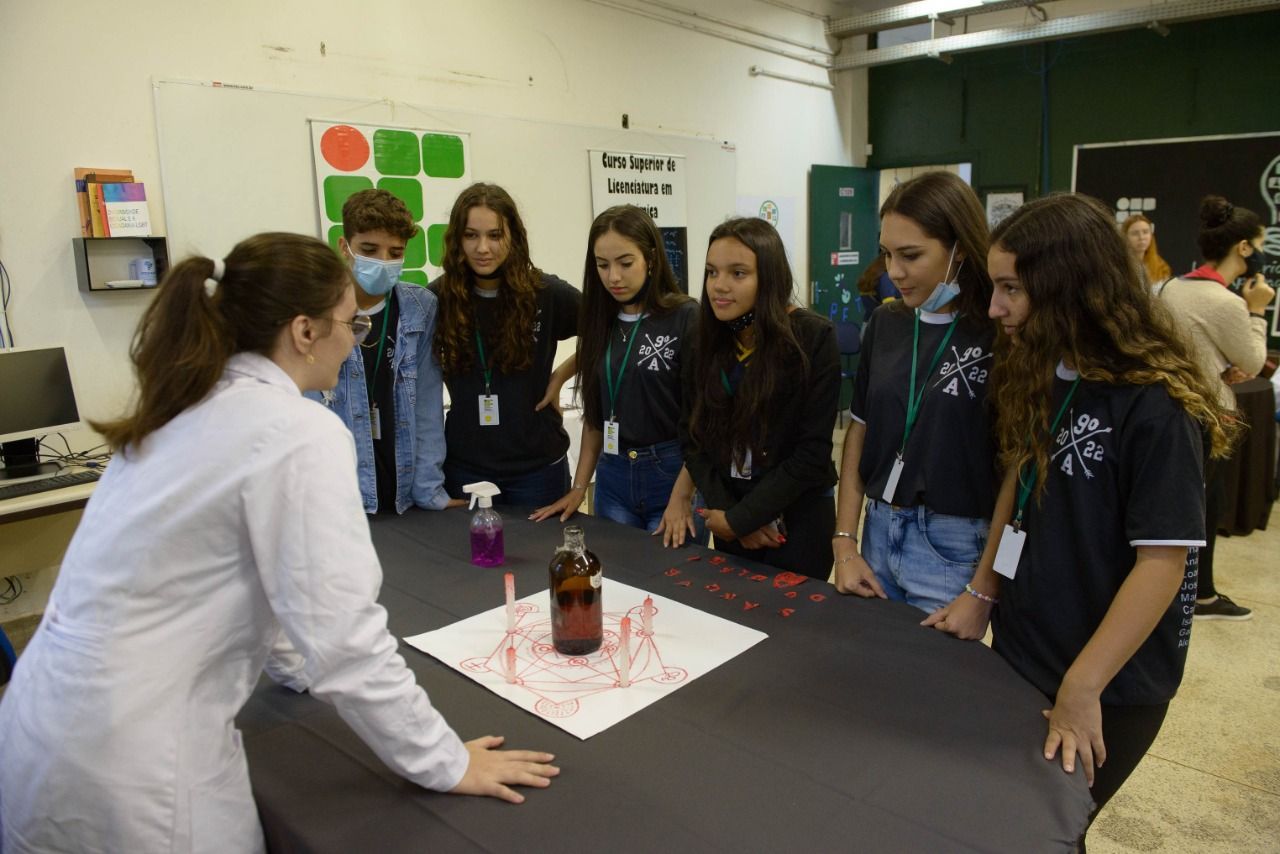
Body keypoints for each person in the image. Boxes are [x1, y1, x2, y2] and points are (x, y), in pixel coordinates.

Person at [0, 234, 558, 854]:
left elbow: (263, 581)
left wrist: (295, 669)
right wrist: (445, 761)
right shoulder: (297, 431)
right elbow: (345, 640)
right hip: (139, 767)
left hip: (39, 729)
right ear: (304, 331)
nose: (354, 341)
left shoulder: (180, 408)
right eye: (351, 325)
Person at [976, 194, 1237, 848]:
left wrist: (1081, 687)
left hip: (1108, 684)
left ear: (1067, 286)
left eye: (1011, 289)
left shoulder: (1157, 406)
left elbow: (1162, 563)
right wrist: (984, 592)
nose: (994, 308)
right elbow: (1022, 473)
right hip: (1027, 650)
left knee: (1051, 831)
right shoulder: (1048, 366)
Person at [833, 171, 999, 628]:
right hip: (878, 529)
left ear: (960, 248)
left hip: (952, 543)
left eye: (911, 255)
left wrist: (984, 586)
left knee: (928, 690)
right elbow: (858, 433)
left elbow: (1015, 472)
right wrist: (845, 542)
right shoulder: (887, 325)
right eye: (887, 254)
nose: (894, 272)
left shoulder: (996, 332)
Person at [531, 205, 705, 547]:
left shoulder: (685, 316)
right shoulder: (600, 319)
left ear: (651, 258)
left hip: (671, 474)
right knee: (620, 588)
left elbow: (705, 419)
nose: (613, 277)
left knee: (673, 588)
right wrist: (579, 488)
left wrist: (683, 495)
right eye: (603, 265)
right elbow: (597, 417)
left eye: (625, 263)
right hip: (612, 477)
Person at [683, 217, 840, 578]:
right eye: (711, 272)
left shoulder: (812, 338)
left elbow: (811, 453)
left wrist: (745, 518)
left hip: (796, 521)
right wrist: (729, 517)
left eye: (738, 274)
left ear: (768, 278)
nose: (719, 286)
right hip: (729, 514)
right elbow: (691, 438)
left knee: (794, 629)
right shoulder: (702, 339)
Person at [1156, 195, 1274, 621]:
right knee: (1204, 508)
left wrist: (1221, 366)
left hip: (1173, 407)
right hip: (1207, 416)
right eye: (1258, 243)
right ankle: (1199, 594)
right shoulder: (1226, 302)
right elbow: (1255, 362)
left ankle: (1190, 592)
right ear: (1244, 248)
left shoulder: (1171, 287)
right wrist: (1257, 311)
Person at [431, 183, 580, 507]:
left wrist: (561, 377)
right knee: (472, 559)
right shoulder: (439, 298)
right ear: (458, 239)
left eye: (495, 235)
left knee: (541, 558)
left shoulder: (546, 292)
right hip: (466, 468)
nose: (483, 247)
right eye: (471, 235)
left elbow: (606, 329)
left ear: (513, 236)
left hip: (538, 470)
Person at [313, 188, 461, 514]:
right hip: (339, 494)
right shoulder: (315, 307)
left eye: (395, 252)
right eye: (370, 249)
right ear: (344, 246)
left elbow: (427, 407)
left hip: (400, 490)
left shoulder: (420, 308)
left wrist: (429, 491)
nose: (383, 262)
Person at [1120, 213, 1172, 287]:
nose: (1141, 237)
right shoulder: (1118, 267)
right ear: (1125, 237)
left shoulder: (1161, 267)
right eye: (1135, 233)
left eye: (1145, 232)